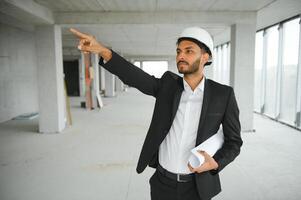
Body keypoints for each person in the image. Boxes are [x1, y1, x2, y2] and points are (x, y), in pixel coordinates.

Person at [70, 26, 243, 200]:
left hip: (197, 187)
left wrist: (216, 163)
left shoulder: (223, 95)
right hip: (162, 184)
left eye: (189, 51)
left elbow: (234, 141)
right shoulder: (167, 85)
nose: (181, 56)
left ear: (206, 57)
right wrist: (103, 51)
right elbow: (135, 76)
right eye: (178, 51)